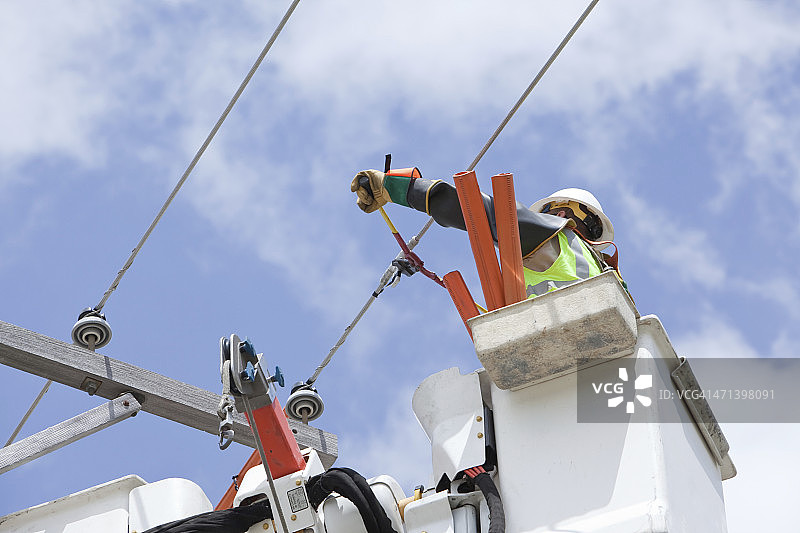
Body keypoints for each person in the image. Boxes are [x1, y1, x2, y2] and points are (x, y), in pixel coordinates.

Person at [351, 167, 619, 298]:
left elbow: (481, 212)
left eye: (558, 212)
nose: (558, 218)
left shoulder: (564, 242)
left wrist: (394, 188)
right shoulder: (601, 273)